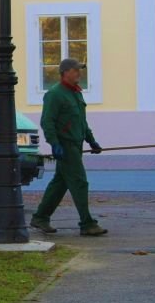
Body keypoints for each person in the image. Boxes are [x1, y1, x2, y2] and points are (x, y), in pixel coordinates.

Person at [30, 58, 107, 237]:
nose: (79, 73)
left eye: (80, 70)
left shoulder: (76, 93)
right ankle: (87, 223)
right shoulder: (55, 94)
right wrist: (55, 144)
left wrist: (91, 141)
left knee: (60, 183)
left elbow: (81, 121)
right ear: (65, 72)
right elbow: (47, 122)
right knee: (79, 182)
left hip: (76, 145)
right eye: (76, 70)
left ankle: (40, 217)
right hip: (66, 146)